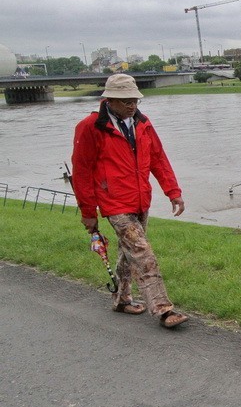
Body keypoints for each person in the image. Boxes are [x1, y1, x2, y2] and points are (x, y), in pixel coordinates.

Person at [71, 73, 189, 328]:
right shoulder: (90, 127)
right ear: (109, 100)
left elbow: (158, 159)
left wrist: (173, 191)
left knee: (129, 253)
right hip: (114, 202)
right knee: (143, 253)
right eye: (126, 101)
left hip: (140, 199)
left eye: (134, 99)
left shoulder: (143, 123)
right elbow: (81, 172)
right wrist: (88, 211)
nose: (132, 105)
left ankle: (122, 300)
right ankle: (163, 310)